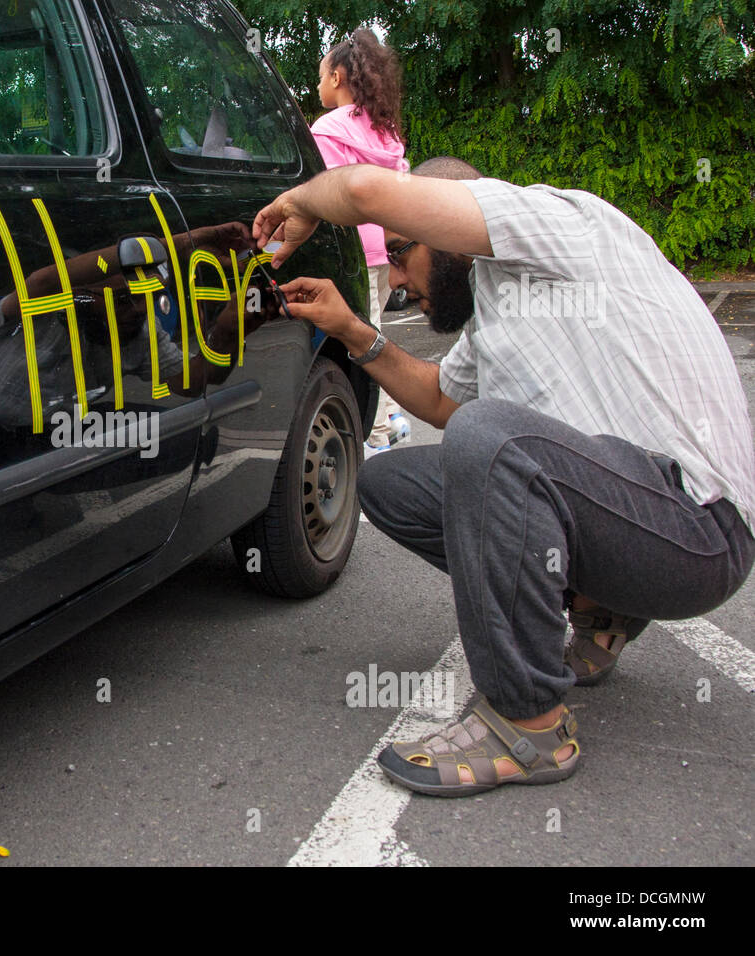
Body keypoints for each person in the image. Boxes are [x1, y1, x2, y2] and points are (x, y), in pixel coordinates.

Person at [252, 156, 755, 796]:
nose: (400, 280)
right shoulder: (493, 310)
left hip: (699, 529)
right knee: (390, 485)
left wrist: (306, 202)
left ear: (446, 219)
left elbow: (360, 187)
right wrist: (350, 328)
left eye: (402, 252)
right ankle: (602, 610)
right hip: (637, 518)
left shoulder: (551, 224)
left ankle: (529, 725)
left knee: (487, 437)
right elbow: (438, 398)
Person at [311, 28, 411, 455]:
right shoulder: (384, 131)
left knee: (360, 340)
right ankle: (391, 418)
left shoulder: (330, 129)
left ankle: (377, 435)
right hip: (385, 250)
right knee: (375, 330)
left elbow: (328, 195)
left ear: (336, 77)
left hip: (353, 252)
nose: (317, 86)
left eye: (319, 77)